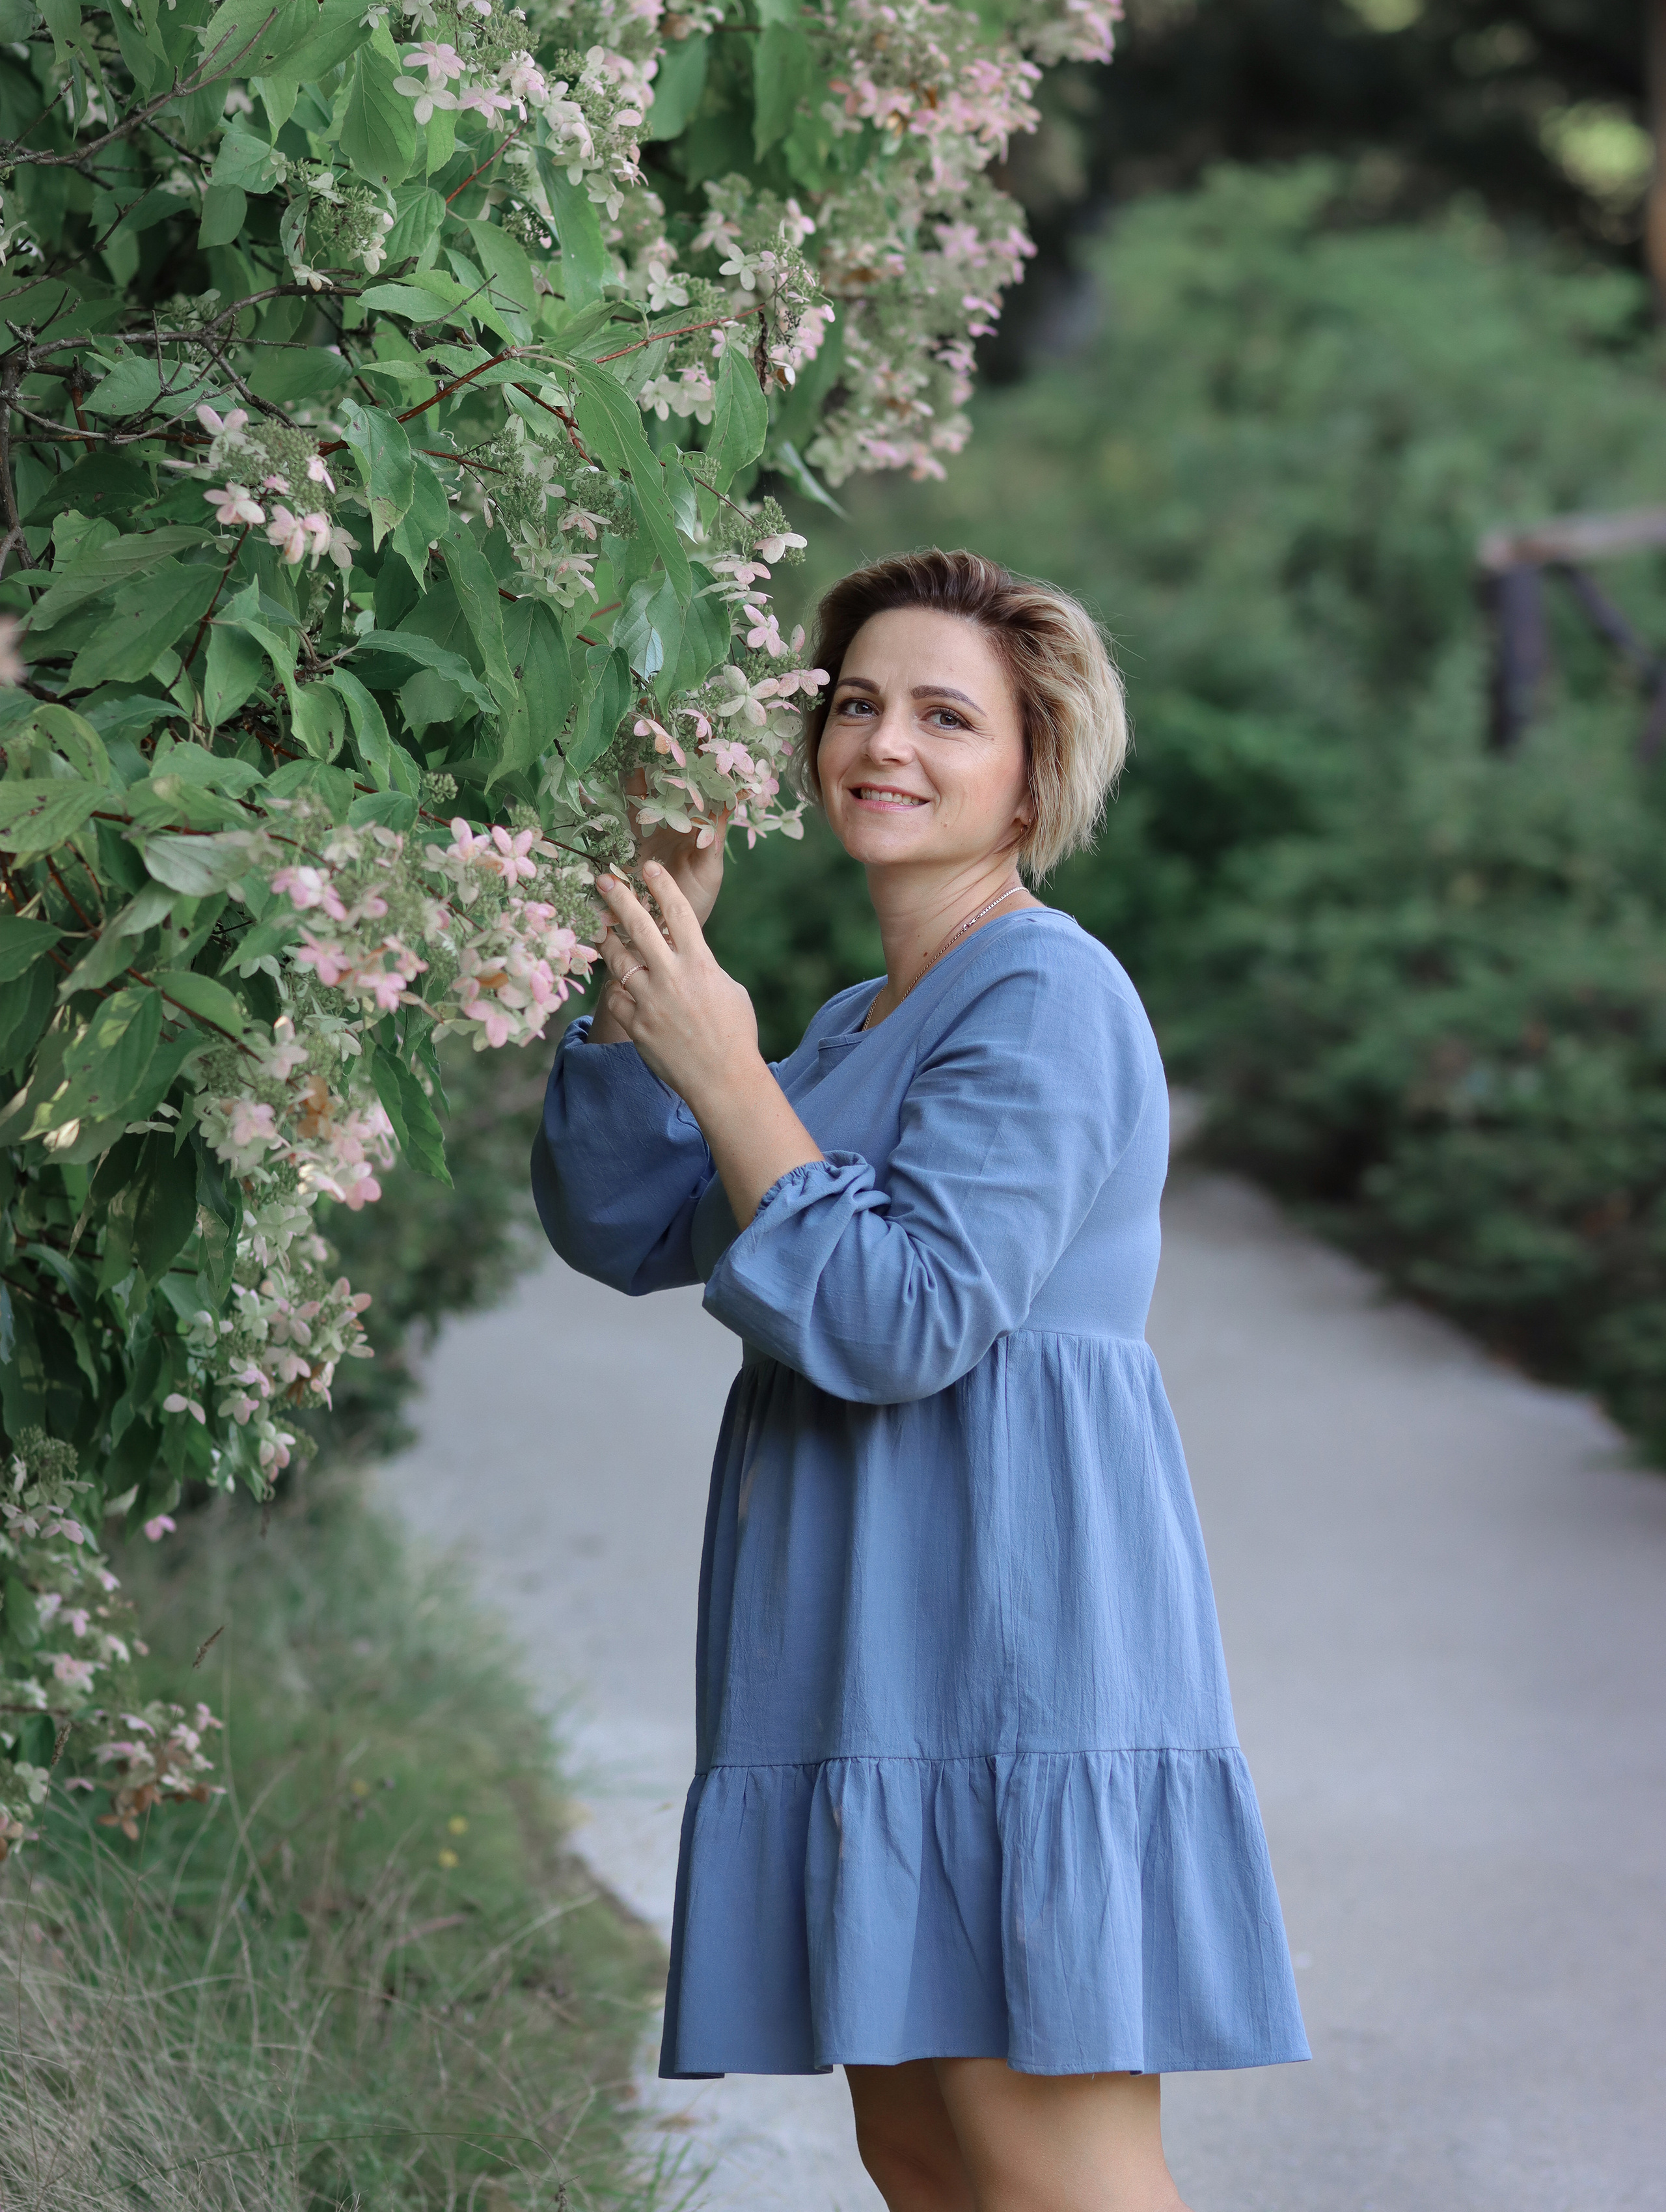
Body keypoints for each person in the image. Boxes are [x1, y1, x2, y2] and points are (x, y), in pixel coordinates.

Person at [531, 549, 1308, 2211]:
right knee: (920, 2153)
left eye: (946, 716)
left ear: (1034, 776)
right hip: (858, 1649)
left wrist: (729, 1070)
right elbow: (625, 1222)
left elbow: (907, 1315)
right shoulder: (852, 1018)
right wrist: (648, 980)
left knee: (1048, 2166)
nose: (885, 742)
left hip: (1006, 1642)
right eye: (857, 703)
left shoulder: (1045, 992)